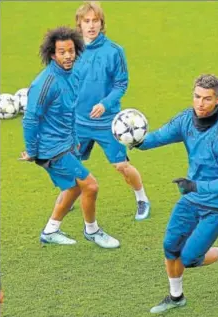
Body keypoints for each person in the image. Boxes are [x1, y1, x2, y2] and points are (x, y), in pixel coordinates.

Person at [132, 74, 218, 313]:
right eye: (197, 97)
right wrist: (138, 141)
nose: (200, 103)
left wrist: (196, 187)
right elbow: (162, 135)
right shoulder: (187, 119)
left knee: (190, 258)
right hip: (192, 196)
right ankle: (176, 298)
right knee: (170, 247)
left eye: (207, 99)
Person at [21, 26, 119, 248]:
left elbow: (69, 111)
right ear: (52, 54)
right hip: (52, 148)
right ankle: (92, 231)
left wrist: (74, 138)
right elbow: (30, 119)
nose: (67, 56)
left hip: (66, 142)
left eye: (71, 51)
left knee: (74, 187)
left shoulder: (73, 74)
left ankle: (50, 231)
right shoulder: (45, 83)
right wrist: (34, 152)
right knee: (90, 186)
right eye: (62, 52)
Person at [71, 1, 150, 220]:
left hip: (107, 122)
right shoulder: (72, 50)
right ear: (79, 24)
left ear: (101, 23)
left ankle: (142, 198)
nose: (91, 25)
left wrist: (104, 103)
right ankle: (69, 196)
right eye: (86, 21)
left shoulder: (115, 51)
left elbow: (121, 84)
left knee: (122, 166)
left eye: (95, 20)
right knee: (69, 162)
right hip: (78, 121)